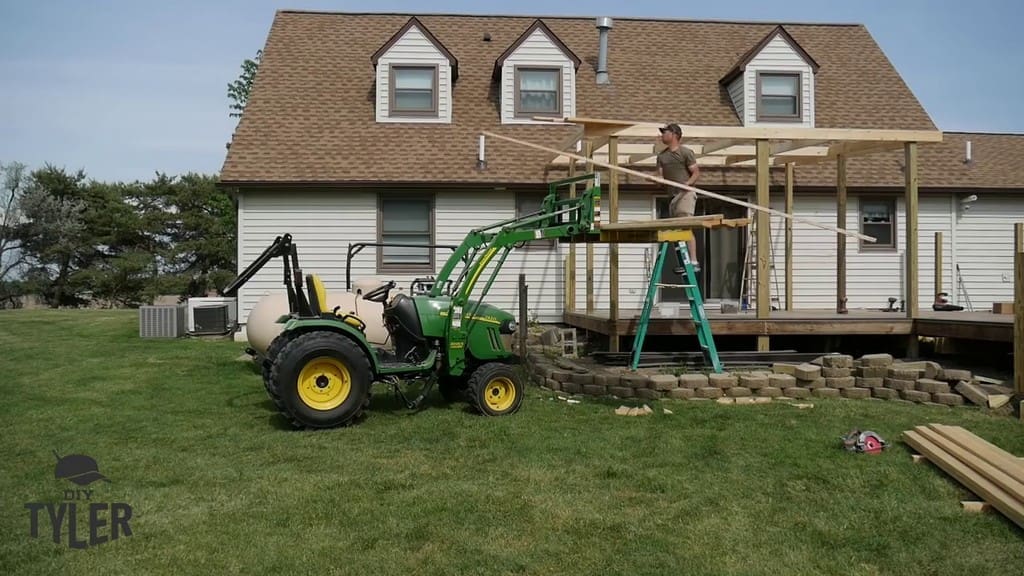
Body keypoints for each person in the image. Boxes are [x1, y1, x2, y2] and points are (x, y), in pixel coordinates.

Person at [656, 123, 701, 271]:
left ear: (674, 134)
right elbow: (660, 177)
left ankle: (693, 262)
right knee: (677, 230)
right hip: (673, 196)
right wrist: (653, 179)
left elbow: (696, 173)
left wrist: (686, 184)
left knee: (685, 226)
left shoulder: (685, 153)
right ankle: (684, 262)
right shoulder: (662, 156)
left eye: (665, 132)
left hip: (686, 193)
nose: (662, 135)